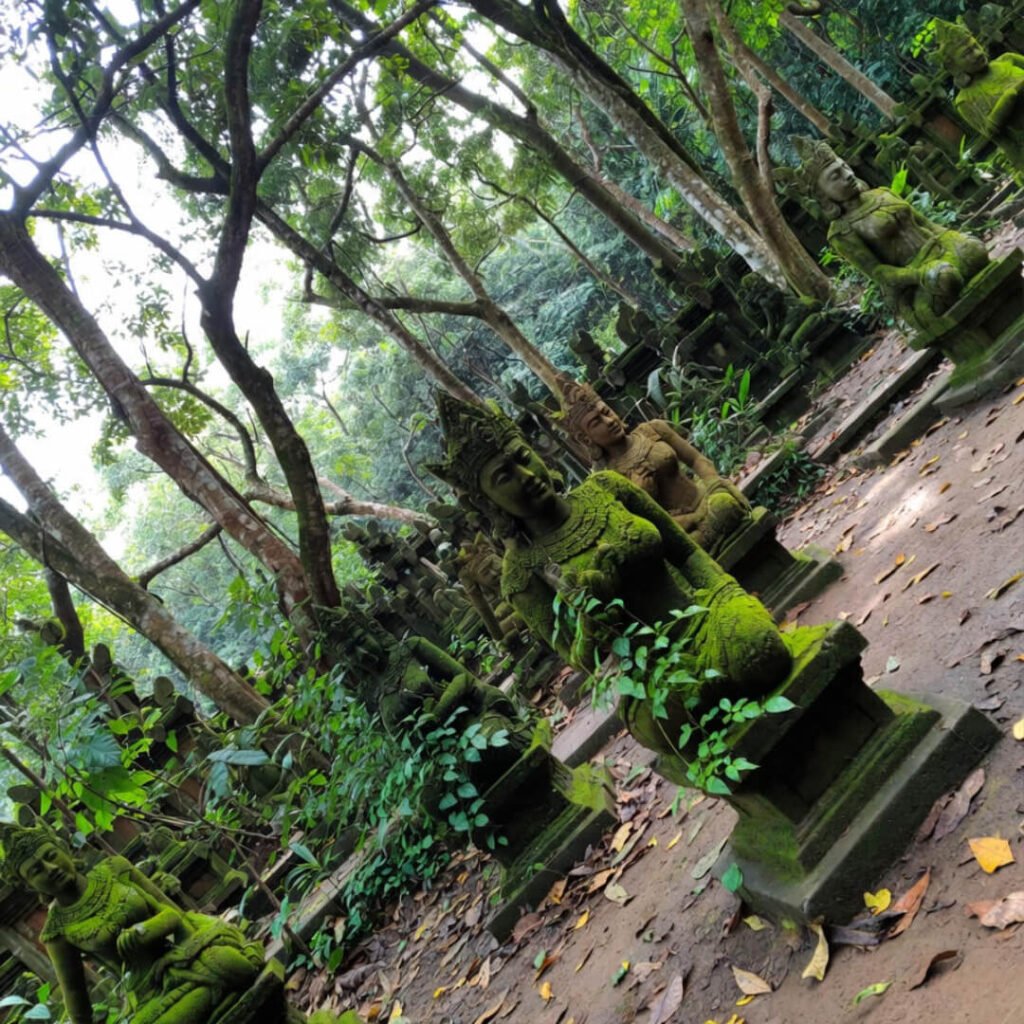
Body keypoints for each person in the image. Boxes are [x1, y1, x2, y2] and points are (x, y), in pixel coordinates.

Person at [427, 394, 797, 762]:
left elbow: (684, 552)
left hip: (705, 617)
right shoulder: (521, 576)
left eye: (523, 458)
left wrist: (724, 594)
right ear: (487, 502)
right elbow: (585, 663)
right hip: (654, 674)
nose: (526, 476)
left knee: (760, 651)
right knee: (681, 713)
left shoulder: (606, 489)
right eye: (504, 477)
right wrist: (592, 614)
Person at [0, 822, 264, 1024]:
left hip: (188, 950)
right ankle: (212, 987)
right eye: (36, 871)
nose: (50, 868)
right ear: (27, 885)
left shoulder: (115, 869)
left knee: (232, 964)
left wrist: (147, 932)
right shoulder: (57, 933)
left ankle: (213, 983)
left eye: (51, 855)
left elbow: (174, 914)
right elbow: (77, 1003)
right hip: (151, 993)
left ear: (64, 849)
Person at [793, 136, 989, 332]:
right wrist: (918, 275)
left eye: (844, 166)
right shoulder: (842, 232)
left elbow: (926, 223)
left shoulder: (882, 193)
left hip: (940, 247)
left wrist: (953, 238)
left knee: (975, 249)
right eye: (836, 176)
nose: (848, 175)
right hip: (916, 276)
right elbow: (879, 272)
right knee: (947, 277)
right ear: (822, 195)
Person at [556, 375, 751, 556]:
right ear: (585, 438)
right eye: (596, 422)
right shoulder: (608, 480)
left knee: (725, 505)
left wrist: (714, 485)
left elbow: (697, 460)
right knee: (688, 548)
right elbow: (639, 530)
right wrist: (643, 498)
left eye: (606, 411)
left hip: (707, 499)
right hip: (681, 529)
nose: (608, 421)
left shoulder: (653, 429)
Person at [934, 19, 1024, 175]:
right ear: (953, 65)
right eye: (966, 54)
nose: (977, 54)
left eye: (975, 46)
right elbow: (993, 131)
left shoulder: (1008, 59)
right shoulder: (965, 100)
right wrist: (1010, 96)